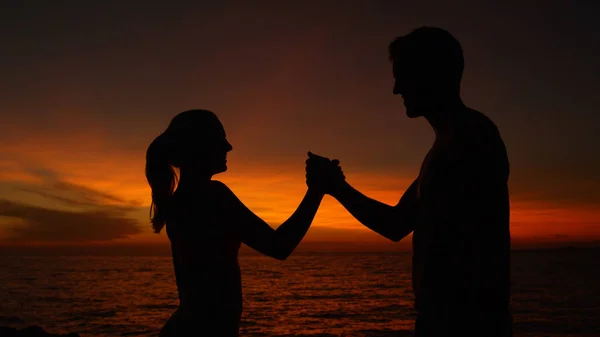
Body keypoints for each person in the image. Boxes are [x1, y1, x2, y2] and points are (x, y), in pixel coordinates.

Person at [306, 27, 512, 337]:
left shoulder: (469, 139)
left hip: (465, 322)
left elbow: (407, 227)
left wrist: (336, 187)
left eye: (402, 76)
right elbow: (397, 223)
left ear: (429, 75)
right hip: (447, 319)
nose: (396, 89)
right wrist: (337, 187)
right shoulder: (448, 145)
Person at [145, 109, 336, 336]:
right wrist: (317, 189)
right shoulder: (212, 196)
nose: (229, 147)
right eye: (220, 140)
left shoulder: (181, 200)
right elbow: (279, 245)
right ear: (200, 146)